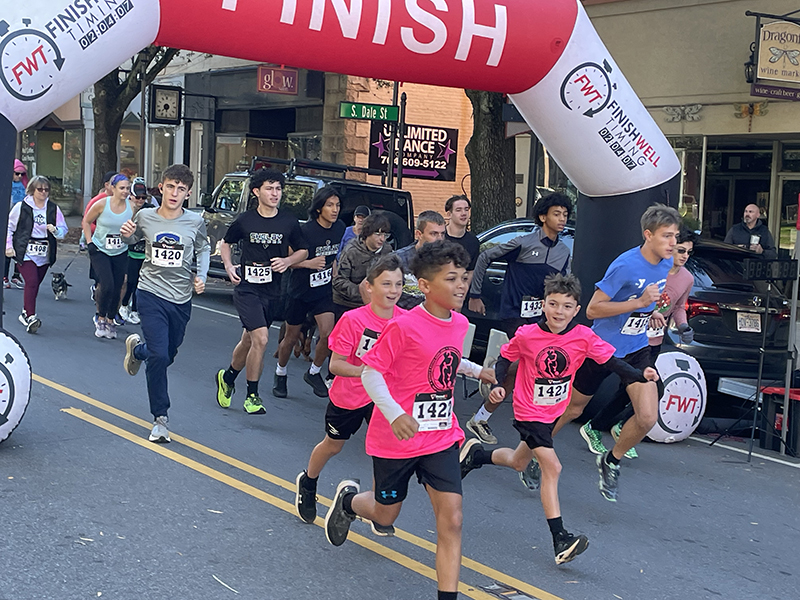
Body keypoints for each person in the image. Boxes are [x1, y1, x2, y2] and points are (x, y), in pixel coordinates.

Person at [323, 240, 496, 600]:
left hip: (439, 436)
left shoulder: (460, 323)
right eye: (452, 278)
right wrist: (396, 414)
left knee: (453, 519)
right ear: (426, 285)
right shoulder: (403, 327)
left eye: (464, 277)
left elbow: (446, 359)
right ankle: (350, 502)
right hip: (396, 438)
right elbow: (371, 373)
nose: (462, 285)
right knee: (385, 516)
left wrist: (480, 371)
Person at [460, 274, 658, 564]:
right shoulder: (528, 335)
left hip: (552, 413)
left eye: (566, 307)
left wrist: (642, 375)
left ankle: (477, 455)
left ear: (576, 310)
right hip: (528, 411)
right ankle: (560, 538)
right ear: (544, 305)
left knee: (518, 461)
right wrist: (500, 382)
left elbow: (614, 363)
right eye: (553, 304)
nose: (559, 312)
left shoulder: (584, 337)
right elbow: (505, 356)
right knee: (552, 467)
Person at [551, 204, 679, 502]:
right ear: (648, 235)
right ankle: (535, 449)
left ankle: (611, 460)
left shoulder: (665, 263)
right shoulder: (625, 265)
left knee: (647, 417)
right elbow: (594, 309)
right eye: (667, 236)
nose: (673, 243)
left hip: (636, 350)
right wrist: (636, 304)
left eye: (675, 236)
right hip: (602, 349)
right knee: (572, 409)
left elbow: (643, 302)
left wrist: (650, 312)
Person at [296, 254, 405, 526]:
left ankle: (379, 508)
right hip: (350, 396)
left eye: (398, 284)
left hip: (383, 399)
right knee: (333, 445)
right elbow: (336, 365)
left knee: (385, 451)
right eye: (386, 284)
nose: (393, 291)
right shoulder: (354, 320)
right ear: (369, 286)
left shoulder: (406, 320)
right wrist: (368, 373)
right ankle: (309, 482)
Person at [466, 193, 572, 445]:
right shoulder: (523, 242)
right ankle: (504, 389)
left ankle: (494, 378)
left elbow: (563, 285)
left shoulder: (563, 251)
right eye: (557, 214)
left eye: (565, 215)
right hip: (514, 313)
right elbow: (484, 257)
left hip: (541, 317)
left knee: (520, 367)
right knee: (534, 361)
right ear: (543, 216)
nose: (562, 219)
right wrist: (475, 294)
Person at [583, 228, 696, 459]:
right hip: (614, 340)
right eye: (680, 249)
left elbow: (677, 307)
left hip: (649, 340)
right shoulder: (646, 266)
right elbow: (628, 299)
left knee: (645, 390)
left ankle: (614, 430)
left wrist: (682, 325)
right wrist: (646, 307)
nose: (683, 255)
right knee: (581, 398)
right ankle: (550, 438)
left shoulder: (686, 278)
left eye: (688, 252)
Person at [121, 164, 210, 444]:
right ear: (161, 187)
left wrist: (202, 276)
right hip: (150, 292)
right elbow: (133, 238)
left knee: (168, 354)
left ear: (188, 193)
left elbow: (204, 248)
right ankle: (160, 418)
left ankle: (139, 351)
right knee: (160, 356)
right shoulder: (146, 216)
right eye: (170, 186)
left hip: (181, 298)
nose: (174, 193)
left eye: (181, 189)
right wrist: (126, 234)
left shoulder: (195, 221)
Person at [215, 169, 308, 414]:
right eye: (269, 188)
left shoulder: (288, 221)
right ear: (257, 192)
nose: (275, 193)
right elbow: (226, 243)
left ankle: (228, 377)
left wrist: (287, 262)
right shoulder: (245, 220)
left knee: (249, 339)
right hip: (247, 289)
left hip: (274, 290)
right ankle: (252, 395)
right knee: (262, 339)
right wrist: (228, 266)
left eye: (278, 188)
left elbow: (303, 251)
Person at [274, 186, 345, 399]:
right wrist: (308, 263)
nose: (335, 210)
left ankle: (314, 372)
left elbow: (334, 253)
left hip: (322, 292)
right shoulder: (305, 231)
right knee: (291, 337)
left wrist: (334, 268)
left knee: (328, 334)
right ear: (318, 209)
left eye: (338, 205)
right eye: (330, 205)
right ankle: (281, 372)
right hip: (299, 291)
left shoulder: (339, 227)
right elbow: (287, 261)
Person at [5, 176, 68, 333]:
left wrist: (56, 230)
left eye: (46, 189)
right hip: (25, 249)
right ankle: (30, 315)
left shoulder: (53, 208)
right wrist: (8, 246)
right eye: (40, 189)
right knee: (31, 281)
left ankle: (26, 311)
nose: (43, 192)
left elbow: (63, 230)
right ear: (32, 190)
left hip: (44, 251)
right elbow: (9, 228)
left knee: (35, 284)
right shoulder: (21, 207)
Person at [83, 174, 133, 339]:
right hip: (100, 249)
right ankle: (101, 317)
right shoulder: (102, 204)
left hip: (120, 250)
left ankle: (111, 319)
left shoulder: (131, 207)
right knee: (107, 284)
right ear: (113, 188)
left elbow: (135, 228)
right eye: (122, 188)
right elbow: (86, 221)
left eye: (127, 188)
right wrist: (89, 242)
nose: (125, 191)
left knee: (119, 286)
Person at [332, 212, 391, 315]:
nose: (382, 239)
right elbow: (339, 281)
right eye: (378, 234)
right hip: (347, 304)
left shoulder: (387, 250)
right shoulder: (351, 250)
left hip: (375, 303)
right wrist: (362, 292)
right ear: (367, 233)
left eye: (385, 235)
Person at [119, 178, 155, 325]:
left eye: (143, 197)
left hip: (145, 252)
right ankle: (124, 305)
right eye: (137, 197)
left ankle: (135, 310)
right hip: (130, 251)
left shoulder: (150, 209)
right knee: (130, 281)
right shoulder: (127, 208)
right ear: (131, 196)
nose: (140, 200)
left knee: (140, 283)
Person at [395, 210, 446, 309]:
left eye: (442, 234)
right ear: (419, 234)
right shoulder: (398, 259)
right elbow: (372, 288)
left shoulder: (447, 262)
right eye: (434, 234)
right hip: (404, 317)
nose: (440, 239)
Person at [83, 170, 117, 300]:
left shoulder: (124, 202)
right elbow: (86, 221)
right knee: (102, 275)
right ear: (107, 185)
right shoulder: (98, 201)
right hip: (99, 242)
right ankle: (98, 290)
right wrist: (100, 230)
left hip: (117, 244)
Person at [444, 195, 479, 280]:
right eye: (458, 210)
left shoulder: (473, 241)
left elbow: (470, 271)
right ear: (449, 214)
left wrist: (463, 290)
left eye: (466, 209)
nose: (463, 213)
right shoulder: (439, 237)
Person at [5, 160, 27, 288]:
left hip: (21, 220)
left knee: (19, 249)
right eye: (17, 173)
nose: (19, 176)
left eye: (22, 174)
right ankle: (4, 276)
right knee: (7, 249)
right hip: (8, 219)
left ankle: (16, 276)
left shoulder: (25, 185)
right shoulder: (6, 184)